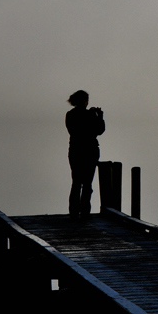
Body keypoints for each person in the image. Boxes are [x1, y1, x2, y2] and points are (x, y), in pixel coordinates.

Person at [66, 90, 105, 219]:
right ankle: (84, 212)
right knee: (87, 183)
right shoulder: (91, 115)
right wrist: (99, 116)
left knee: (76, 182)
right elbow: (100, 130)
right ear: (85, 101)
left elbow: (72, 131)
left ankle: (73, 212)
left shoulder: (70, 115)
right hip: (90, 151)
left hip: (75, 151)